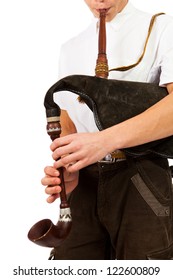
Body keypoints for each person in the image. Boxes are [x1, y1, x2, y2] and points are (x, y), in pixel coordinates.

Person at [41, 0, 173, 259]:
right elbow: (68, 121)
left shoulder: (162, 26)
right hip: (85, 184)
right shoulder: (70, 48)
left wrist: (105, 141)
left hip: (141, 176)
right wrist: (69, 169)